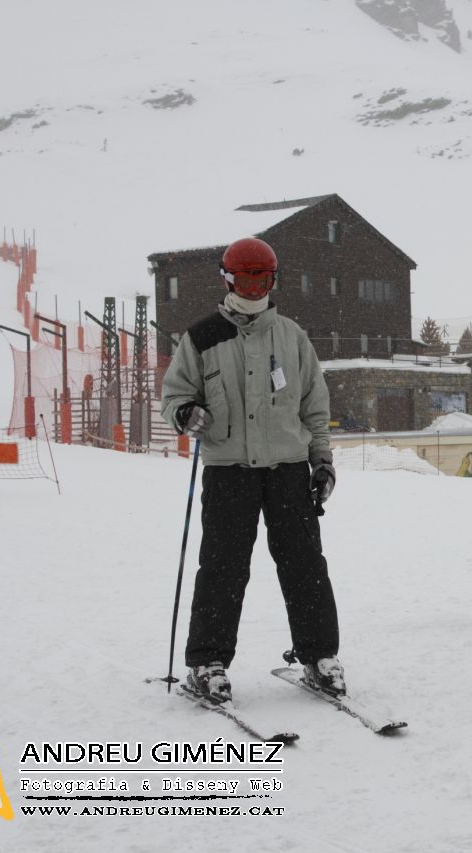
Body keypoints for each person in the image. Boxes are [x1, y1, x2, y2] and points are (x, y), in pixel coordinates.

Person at [161, 236, 344, 703]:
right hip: (229, 470)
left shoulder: (292, 336)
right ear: (228, 280)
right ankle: (207, 662)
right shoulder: (202, 337)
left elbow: (314, 407)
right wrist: (185, 413)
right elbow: (175, 394)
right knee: (223, 567)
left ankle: (320, 656)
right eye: (246, 280)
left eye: (263, 281)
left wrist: (321, 460)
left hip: (288, 469)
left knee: (305, 565)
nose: (255, 289)